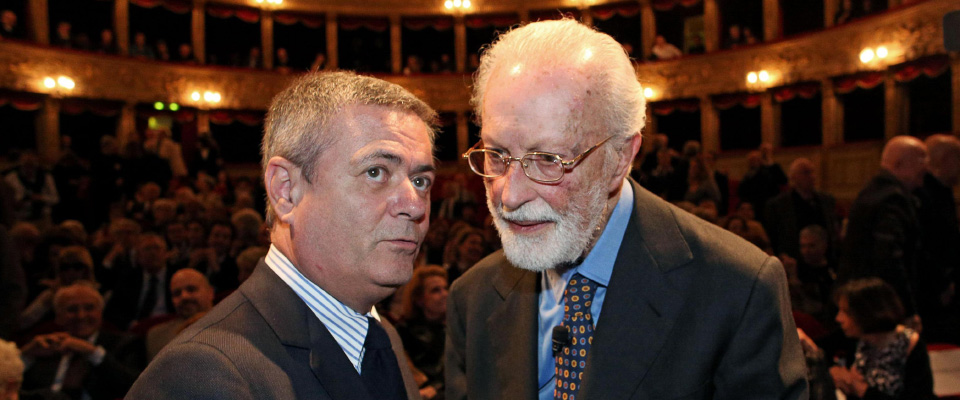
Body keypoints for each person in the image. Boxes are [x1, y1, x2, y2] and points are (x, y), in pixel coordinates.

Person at [446, 19, 806, 400]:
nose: (509, 196)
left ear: (620, 157)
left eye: (547, 159)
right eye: (497, 155)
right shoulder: (472, 298)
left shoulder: (738, 290)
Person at [128, 71, 437, 399]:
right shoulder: (203, 371)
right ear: (286, 191)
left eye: (421, 181)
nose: (414, 205)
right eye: (375, 172)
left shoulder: (382, 336)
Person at [838, 136, 927, 324]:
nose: (922, 179)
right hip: (877, 307)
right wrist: (907, 309)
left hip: (866, 300)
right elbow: (889, 258)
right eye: (920, 164)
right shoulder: (892, 198)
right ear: (898, 163)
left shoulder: (872, 192)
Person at [20, 282, 143, 400]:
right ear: (58, 316)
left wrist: (92, 352)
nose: (81, 316)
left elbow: (136, 387)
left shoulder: (124, 343)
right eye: (72, 309)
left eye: (89, 308)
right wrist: (25, 354)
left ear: (101, 313)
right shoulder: (46, 345)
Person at [829, 278, 936, 400]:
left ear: (867, 314)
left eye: (846, 312)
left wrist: (862, 389)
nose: (838, 318)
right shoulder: (853, 337)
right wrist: (834, 370)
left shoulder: (909, 344)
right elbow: (819, 349)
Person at [764, 158, 840, 259]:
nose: (812, 177)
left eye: (813, 172)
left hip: (825, 258)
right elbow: (773, 236)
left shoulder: (826, 200)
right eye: (806, 173)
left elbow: (832, 230)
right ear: (793, 177)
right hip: (794, 259)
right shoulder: (778, 205)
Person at [397, 266, 449, 399]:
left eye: (446, 288)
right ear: (419, 299)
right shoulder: (404, 331)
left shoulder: (456, 327)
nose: (445, 294)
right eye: (435, 290)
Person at [145, 268, 214, 360]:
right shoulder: (157, 336)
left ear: (210, 292)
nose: (184, 296)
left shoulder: (231, 323)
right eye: (177, 293)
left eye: (191, 289)